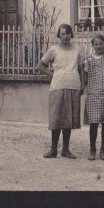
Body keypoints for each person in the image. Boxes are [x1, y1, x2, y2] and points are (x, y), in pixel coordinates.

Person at [38, 23, 84, 159]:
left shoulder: (78, 49)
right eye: (63, 34)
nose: (65, 36)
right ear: (59, 35)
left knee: (68, 119)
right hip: (57, 86)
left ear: (71, 35)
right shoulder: (53, 49)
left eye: (68, 33)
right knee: (57, 117)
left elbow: (81, 68)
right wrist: (53, 74)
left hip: (73, 85)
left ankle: (66, 149)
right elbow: (40, 65)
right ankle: (53, 149)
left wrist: (82, 85)